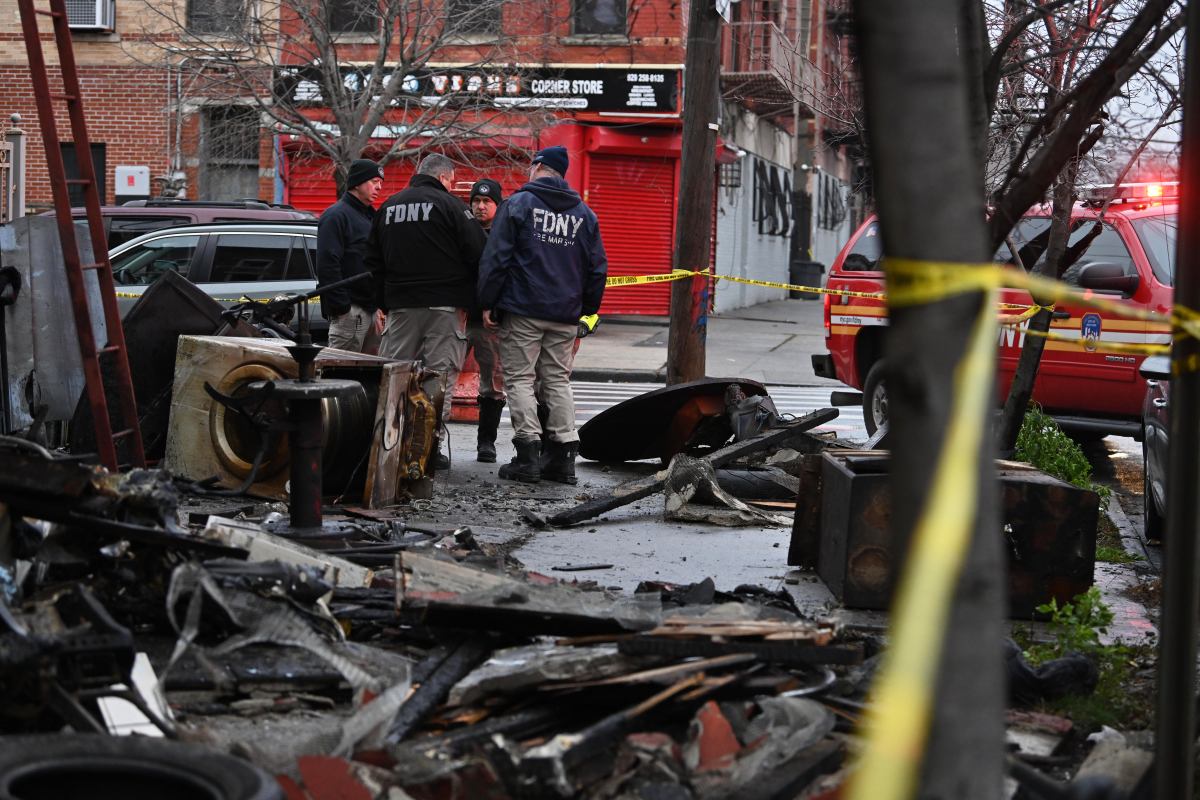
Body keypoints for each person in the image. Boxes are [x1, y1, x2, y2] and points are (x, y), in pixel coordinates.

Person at [477, 145, 607, 484]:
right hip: (565, 313)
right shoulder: (584, 214)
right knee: (557, 380)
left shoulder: (518, 205)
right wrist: (587, 310)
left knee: (519, 379)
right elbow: (597, 268)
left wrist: (488, 301)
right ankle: (563, 458)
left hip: (523, 308)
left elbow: (497, 257)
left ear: (538, 167)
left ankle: (527, 455)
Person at [366, 154, 487, 470]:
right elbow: (479, 253)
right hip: (444, 308)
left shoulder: (389, 206)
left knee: (394, 375)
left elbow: (372, 261)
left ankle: (387, 445)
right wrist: (475, 302)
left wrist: (385, 300)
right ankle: (428, 449)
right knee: (437, 377)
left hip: (401, 308)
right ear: (445, 178)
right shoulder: (453, 207)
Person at [316, 158, 384, 353]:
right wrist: (343, 308)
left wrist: (378, 305)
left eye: (380, 183)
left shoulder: (372, 216)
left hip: (372, 312)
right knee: (340, 374)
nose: (379, 187)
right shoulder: (336, 216)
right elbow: (327, 264)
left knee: (371, 378)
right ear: (357, 182)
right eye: (374, 181)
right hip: (350, 312)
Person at [465, 178, 506, 463]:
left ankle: (486, 442)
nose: (480, 206)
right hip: (458, 314)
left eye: (486, 202)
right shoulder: (461, 230)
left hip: (487, 321)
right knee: (440, 375)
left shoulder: (503, 235)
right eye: (476, 202)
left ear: (496, 205)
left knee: (492, 382)